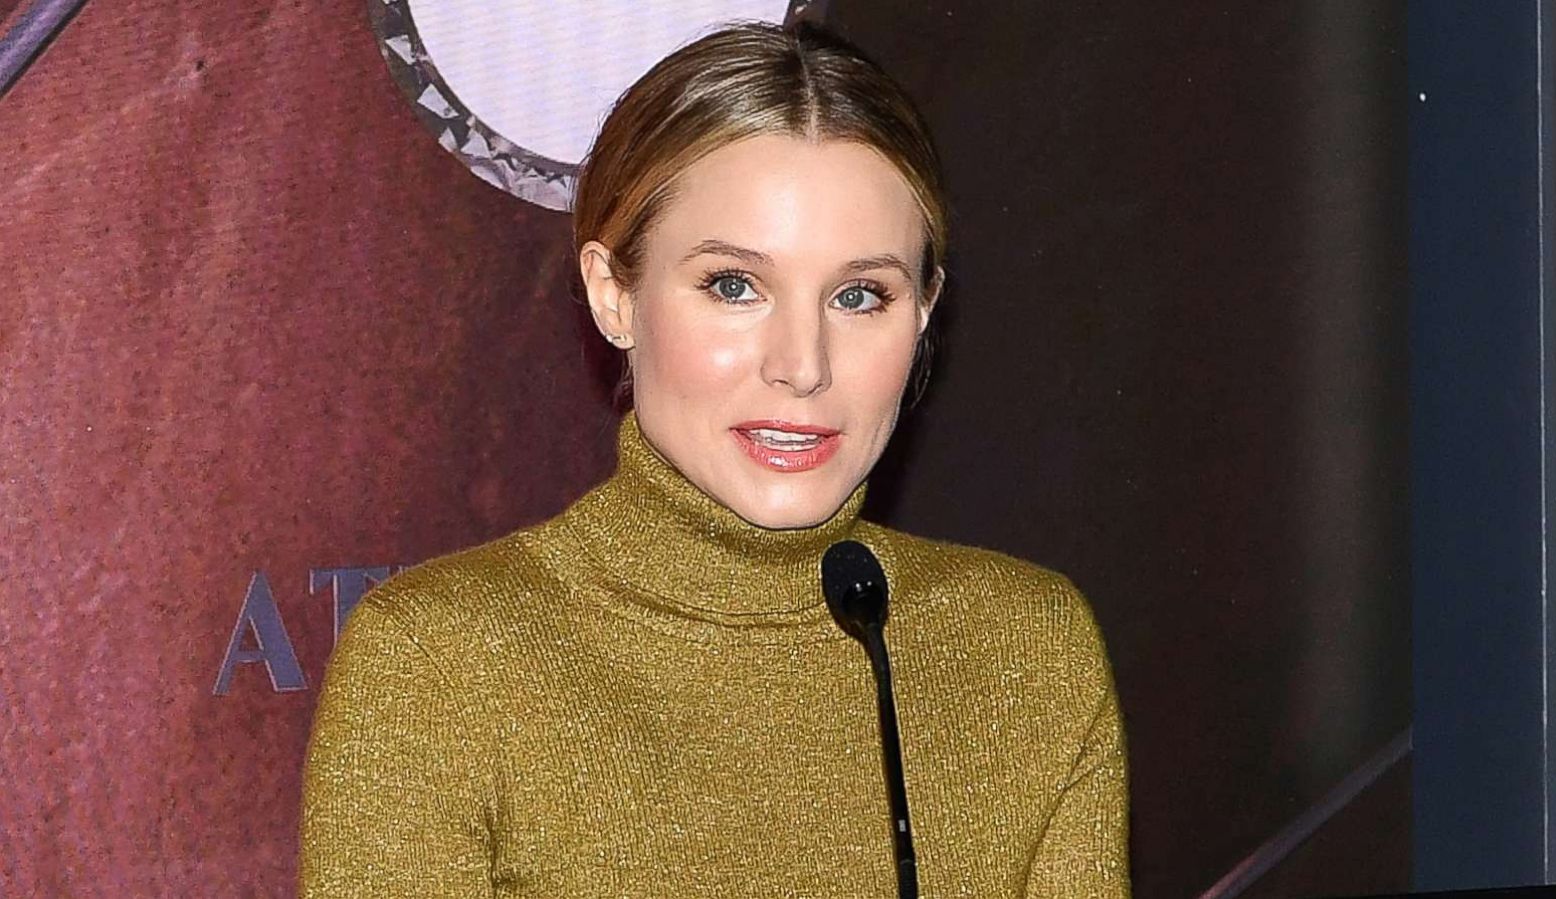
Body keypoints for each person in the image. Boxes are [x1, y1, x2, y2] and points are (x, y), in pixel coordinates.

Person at [299, 20, 1128, 898]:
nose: (801, 363)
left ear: (923, 311)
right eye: (734, 285)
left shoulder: (1027, 651)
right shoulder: (438, 668)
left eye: (859, 295)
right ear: (615, 294)